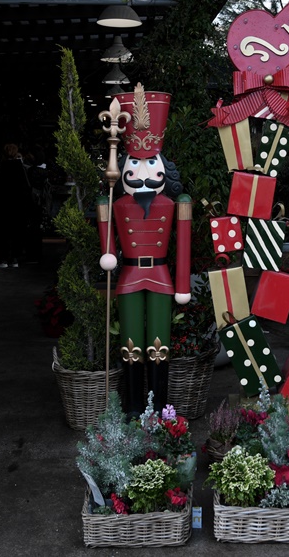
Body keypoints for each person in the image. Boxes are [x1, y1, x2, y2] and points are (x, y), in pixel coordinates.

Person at [97, 86, 191, 414]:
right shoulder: (115, 203)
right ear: (122, 167)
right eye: (135, 165)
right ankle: (134, 406)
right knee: (131, 344)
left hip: (162, 275)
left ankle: (161, 405)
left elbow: (183, 247)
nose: (143, 175)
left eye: (151, 163)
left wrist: (182, 286)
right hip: (131, 274)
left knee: (159, 345)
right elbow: (109, 245)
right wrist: (108, 251)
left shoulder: (175, 204)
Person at [0, 143, 32, 267]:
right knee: (17, 231)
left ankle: (3, 259)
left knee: (3, 232)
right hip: (19, 205)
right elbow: (26, 187)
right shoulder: (21, 168)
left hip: (3, 204)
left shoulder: (1, 167)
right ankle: (15, 258)